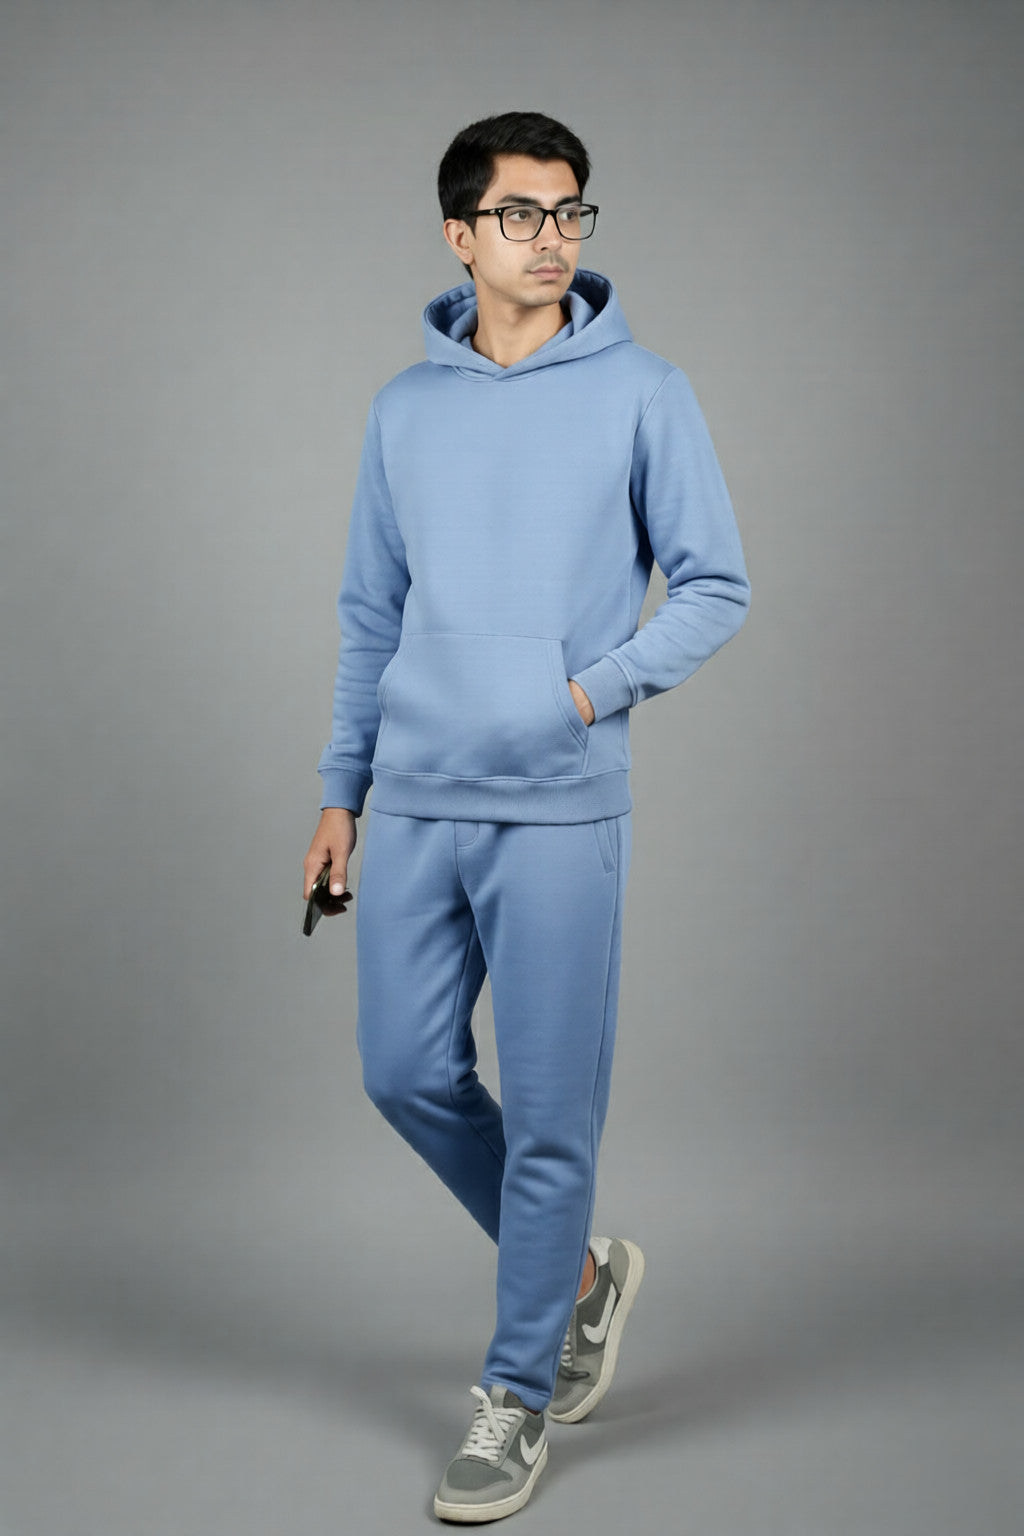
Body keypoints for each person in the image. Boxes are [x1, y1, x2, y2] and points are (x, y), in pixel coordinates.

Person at [303, 111, 750, 1523]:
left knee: (554, 1117)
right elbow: (371, 613)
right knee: (404, 1072)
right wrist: (340, 792)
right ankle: (583, 1276)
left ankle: (515, 1394)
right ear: (461, 234)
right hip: (416, 799)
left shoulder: (646, 392)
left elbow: (717, 585)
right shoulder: (404, 409)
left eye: (570, 213)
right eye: (520, 214)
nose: (551, 238)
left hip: (560, 803)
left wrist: (585, 698)